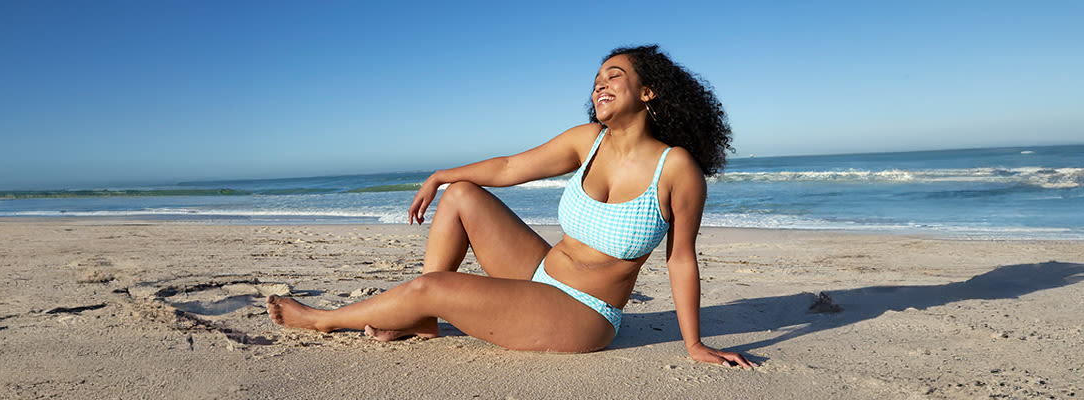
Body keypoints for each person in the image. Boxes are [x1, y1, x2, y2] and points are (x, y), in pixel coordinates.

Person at [266, 45, 754, 367]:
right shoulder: (589, 141)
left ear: (647, 92)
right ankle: (421, 319)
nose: (599, 86)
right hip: (541, 272)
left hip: (584, 311)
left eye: (615, 76)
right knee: (461, 196)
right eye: (596, 80)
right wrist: (441, 175)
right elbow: (507, 169)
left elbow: (681, 258)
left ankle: (321, 319)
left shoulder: (676, 170)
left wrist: (694, 345)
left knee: (433, 285)